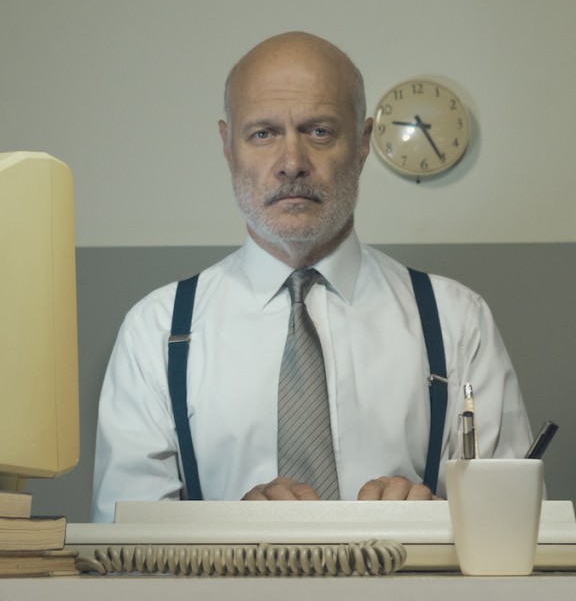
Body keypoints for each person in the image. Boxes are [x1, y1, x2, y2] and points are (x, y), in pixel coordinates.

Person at [90, 31, 531, 523]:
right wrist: (226, 538)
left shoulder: (457, 321)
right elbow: (123, 545)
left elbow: (509, 530)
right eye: (263, 134)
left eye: (319, 131)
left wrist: (434, 522)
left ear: (363, 144)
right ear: (227, 146)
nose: (292, 163)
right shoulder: (155, 331)